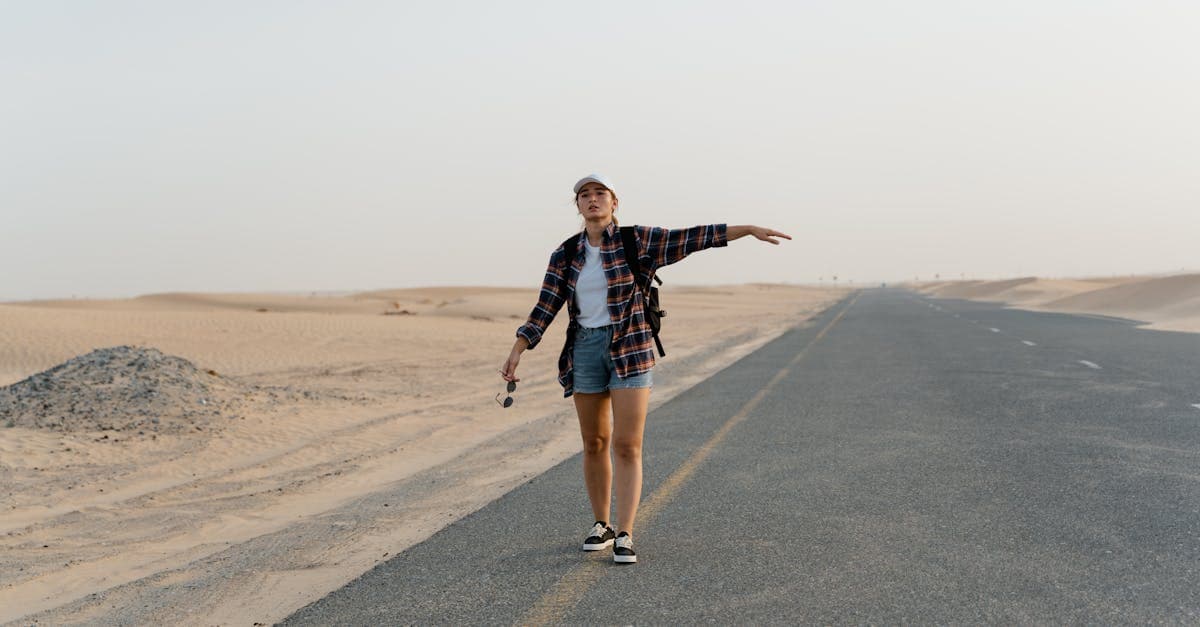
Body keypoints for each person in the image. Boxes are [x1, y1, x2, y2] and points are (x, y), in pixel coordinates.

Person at [499, 173, 791, 564]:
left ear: (614, 202)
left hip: (632, 348)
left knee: (626, 444)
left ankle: (625, 531)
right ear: (578, 206)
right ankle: (600, 524)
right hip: (585, 349)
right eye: (584, 195)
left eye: (600, 193)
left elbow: (694, 236)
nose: (592, 200)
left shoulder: (639, 240)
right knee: (595, 442)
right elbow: (546, 305)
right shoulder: (566, 254)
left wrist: (748, 230)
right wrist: (519, 348)